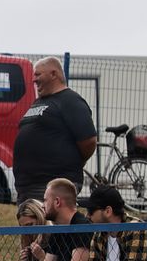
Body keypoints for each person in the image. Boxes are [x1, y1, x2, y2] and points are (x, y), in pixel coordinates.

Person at [12, 57, 96, 203]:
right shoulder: (40, 101)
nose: (34, 80)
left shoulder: (70, 100)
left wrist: (74, 163)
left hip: (53, 187)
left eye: (38, 74)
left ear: (53, 74)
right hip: (27, 188)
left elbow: (89, 141)